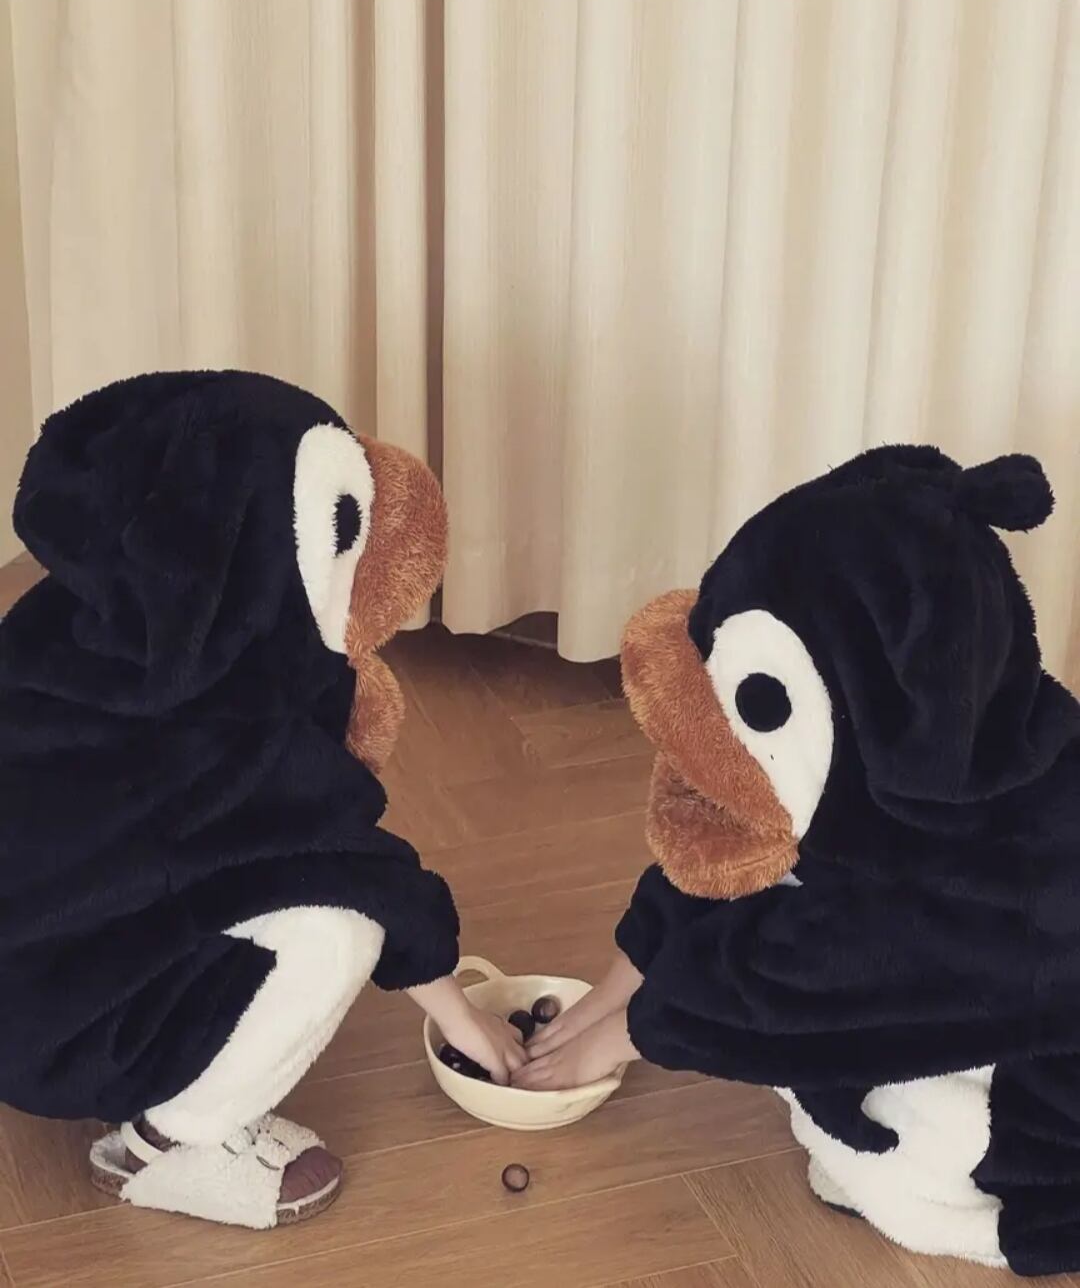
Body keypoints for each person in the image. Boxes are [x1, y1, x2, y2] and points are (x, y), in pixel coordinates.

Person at [515, 446, 1080, 1277]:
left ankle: (961, 1216)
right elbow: (727, 858)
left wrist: (627, 1035)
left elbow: (805, 976)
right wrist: (613, 988)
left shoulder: (1021, 878)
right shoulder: (907, 786)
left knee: (828, 1015)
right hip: (931, 983)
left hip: (1037, 1146)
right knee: (775, 867)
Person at [0, 371, 524, 1229]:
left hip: (42, 975)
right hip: (57, 1031)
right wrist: (457, 1011)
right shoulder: (222, 726)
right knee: (341, 929)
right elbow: (341, 861)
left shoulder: (59, 634)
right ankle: (165, 1146)